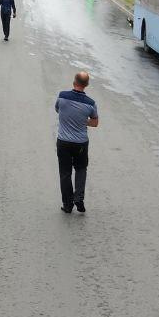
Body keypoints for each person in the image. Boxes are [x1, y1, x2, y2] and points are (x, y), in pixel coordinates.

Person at [55, 70, 99, 214]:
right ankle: (79, 198)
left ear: (74, 82)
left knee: (65, 173)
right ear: (86, 85)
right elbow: (95, 122)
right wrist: (83, 121)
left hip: (63, 142)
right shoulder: (91, 104)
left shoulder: (62, 96)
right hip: (81, 143)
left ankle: (67, 205)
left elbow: (58, 109)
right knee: (81, 169)